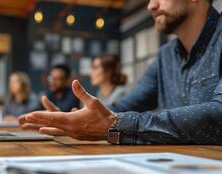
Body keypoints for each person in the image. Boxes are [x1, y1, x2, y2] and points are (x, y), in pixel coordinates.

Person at [20, 0, 222, 145]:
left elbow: (218, 116)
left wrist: (114, 124)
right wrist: (79, 118)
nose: (151, 6)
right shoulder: (165, 56)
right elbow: (127, 104)